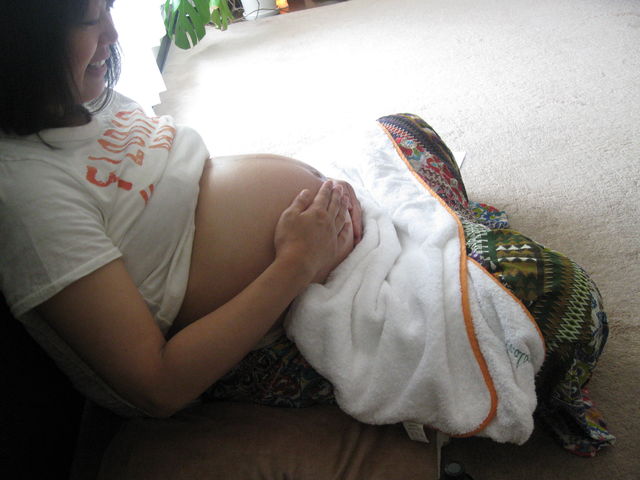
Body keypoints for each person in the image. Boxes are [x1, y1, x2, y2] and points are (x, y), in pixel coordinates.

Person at [0, 0, 362, 417]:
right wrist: (297, 262)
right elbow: (158, 385)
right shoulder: (27, 195)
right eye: (90, 21)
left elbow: (183, 188)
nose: (113, 35)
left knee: (403, 131)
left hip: (316, 263)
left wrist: (318, 196)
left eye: (108, 9)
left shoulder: (86, 98)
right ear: (24, 44)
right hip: (260, 342)